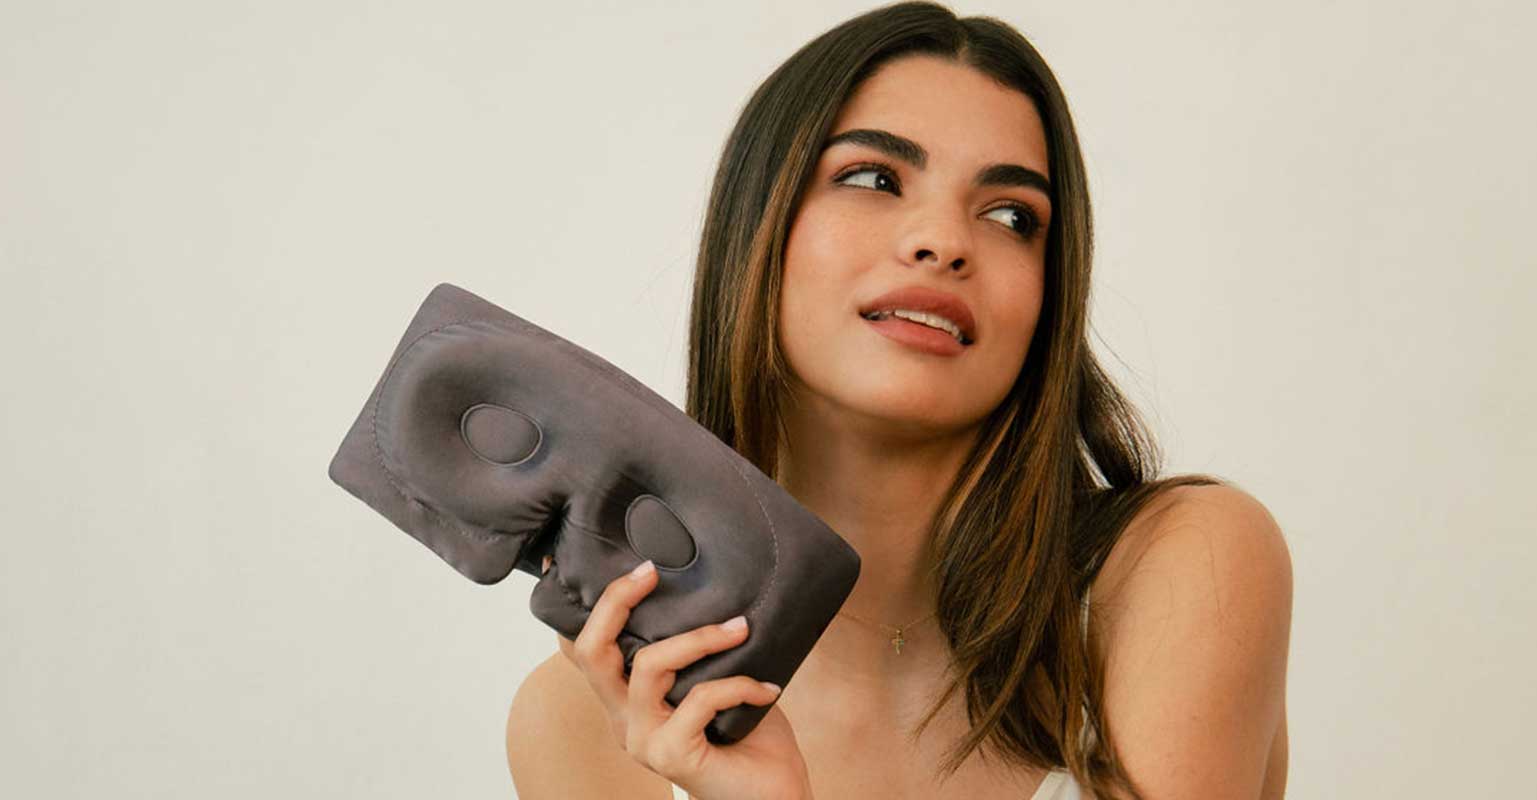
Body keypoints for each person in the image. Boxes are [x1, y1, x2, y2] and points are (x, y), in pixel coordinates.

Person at [506, 3, 1293, 798]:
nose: (944, 240)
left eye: (1012, 216)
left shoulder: (1175, 567)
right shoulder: (582, 723)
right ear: (758, 227)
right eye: (873, 178)